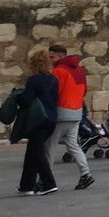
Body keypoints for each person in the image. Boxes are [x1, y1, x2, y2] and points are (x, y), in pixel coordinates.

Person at [48, 44, 93, 189]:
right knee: (73, 145)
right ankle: (85, 173)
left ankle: (45, 179)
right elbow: (84, 91)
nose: (50, 60)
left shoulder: (58, 71)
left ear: (60, 56)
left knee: (49, 146)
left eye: (52, 57)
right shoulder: (79, 71)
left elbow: (54, 92)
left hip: (61, 112)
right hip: (76, 112)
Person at [15, 51, 59, 196]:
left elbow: (27, 100)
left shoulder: (33, 80)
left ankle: (49, 183)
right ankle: (26, 185)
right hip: (52, 118)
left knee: (37, 151)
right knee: (32, 151)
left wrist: (18, 98)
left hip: (38, 119)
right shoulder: (53, 79)